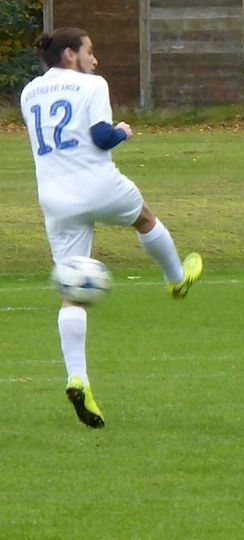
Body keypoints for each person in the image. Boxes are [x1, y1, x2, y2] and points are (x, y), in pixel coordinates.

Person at [20, 28, 203, 428]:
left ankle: (78, 378)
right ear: (70, 54)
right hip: (97, 185)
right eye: (90, 51)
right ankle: (176, 280)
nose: (95, 59)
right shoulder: (92, 85)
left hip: (55, 197)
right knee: (145, 219)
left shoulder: (29, 92)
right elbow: (101, 137)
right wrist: (123, 130)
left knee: (71, 293)